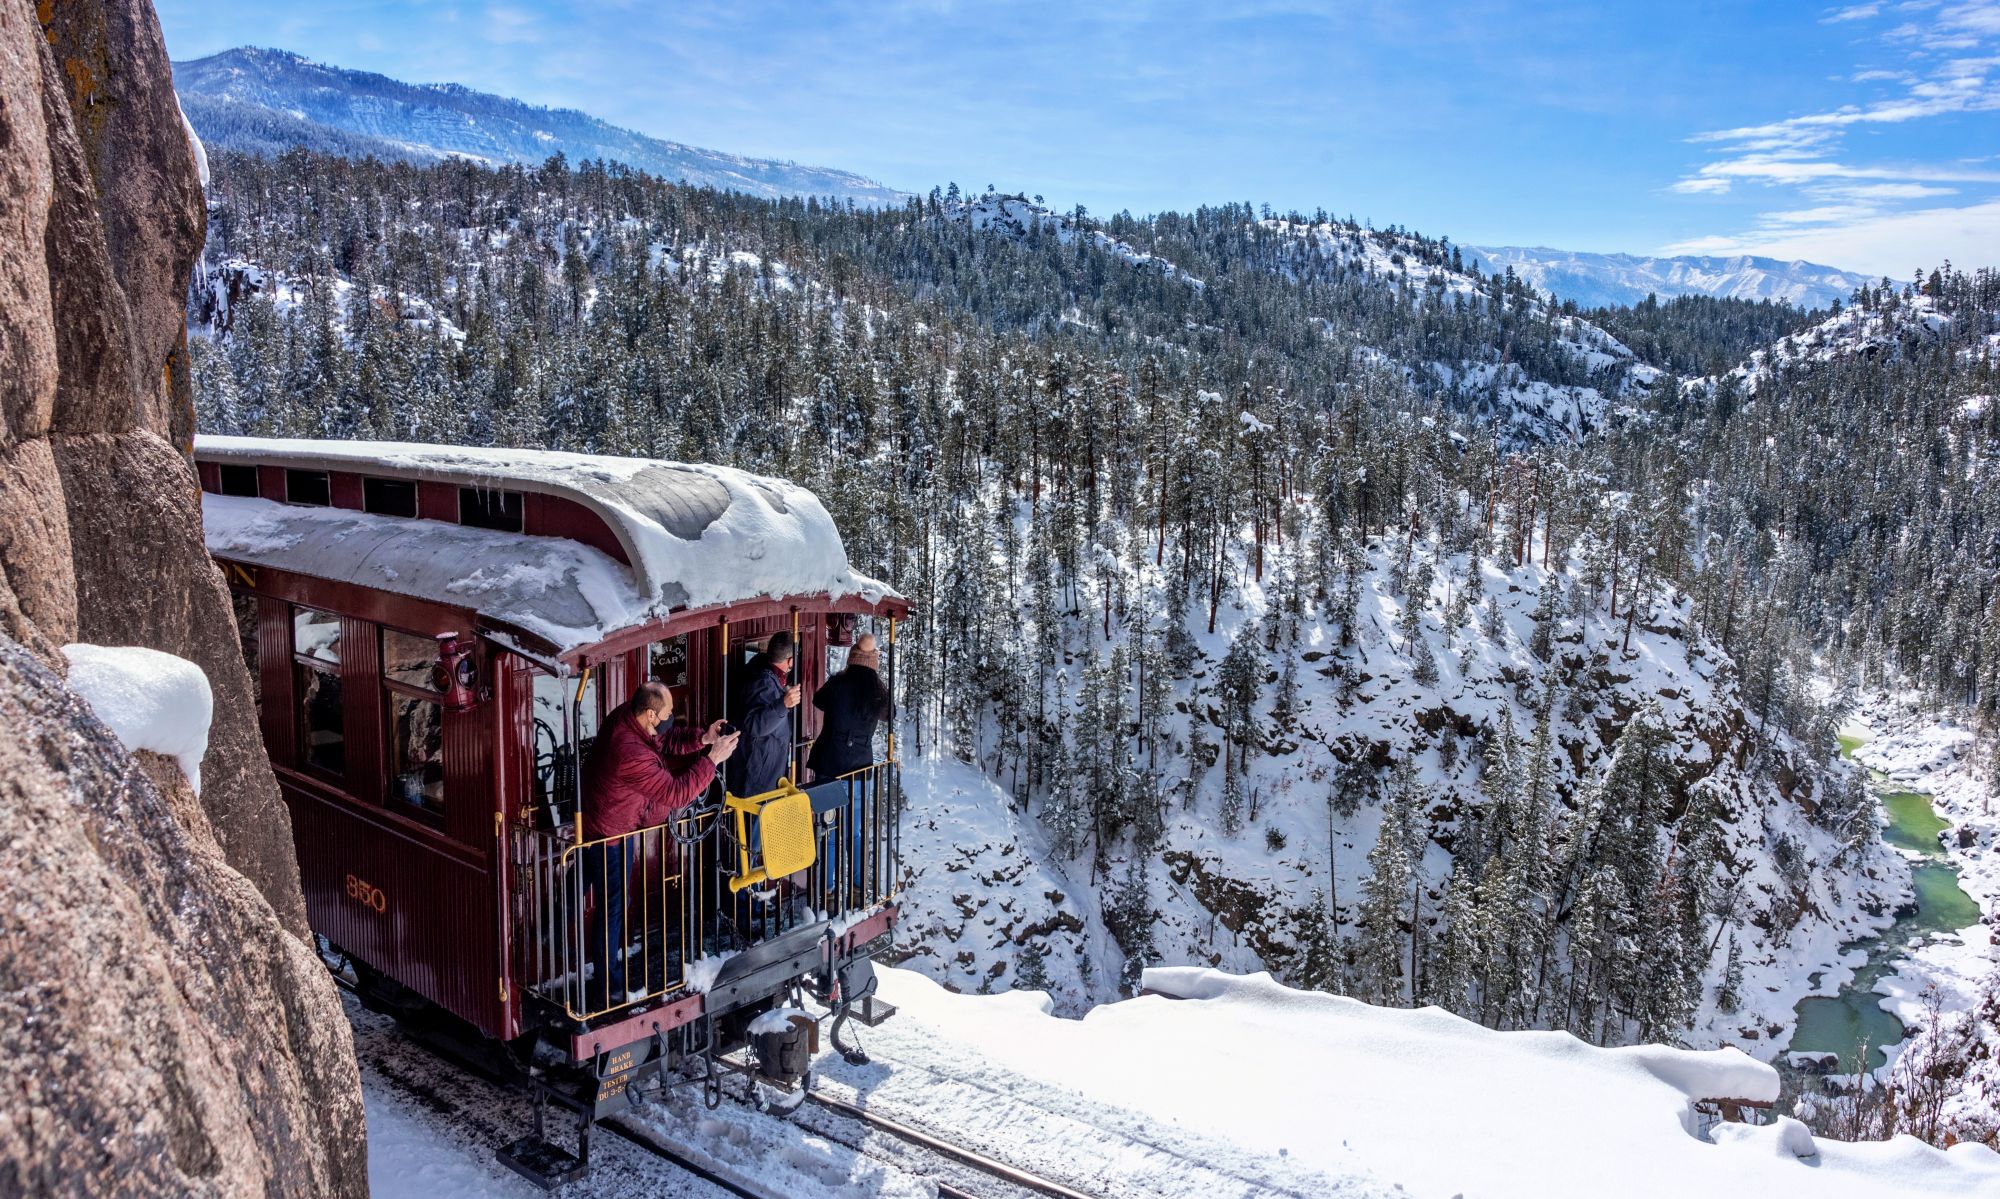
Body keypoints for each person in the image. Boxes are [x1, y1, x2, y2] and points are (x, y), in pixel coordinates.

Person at [581, 681, 737, 1008]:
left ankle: (560, 926)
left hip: (604, 819)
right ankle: (608, 987)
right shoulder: (629, 752)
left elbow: (663, 740)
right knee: (612, 906)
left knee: (588, 885)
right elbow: (676, 793)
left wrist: (703, 739)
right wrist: (712, 760)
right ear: (651, 714)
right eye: (666, 714)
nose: (669, 719)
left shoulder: (629, 717)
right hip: (611, 832)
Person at [727, 631, 800, 797]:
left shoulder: (762, 675)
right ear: (790, 662)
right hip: (759, 772)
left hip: (762, 766)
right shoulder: (763, 682)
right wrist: (783, 705)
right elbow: (754, 724)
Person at [807, 633, 890, 780]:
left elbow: (818, 700)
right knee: (855, 802)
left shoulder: (837, 683)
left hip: (829, 759)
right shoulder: (877, 691)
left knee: (826, 802)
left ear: (852, 657)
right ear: (873, 662)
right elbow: (890, 714)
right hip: (859, 765)